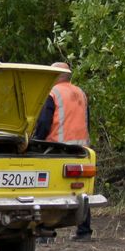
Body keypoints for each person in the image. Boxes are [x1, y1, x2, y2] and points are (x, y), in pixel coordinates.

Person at [34, 61, 93, 240]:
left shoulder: (52, 93)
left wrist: (37, 142)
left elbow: (44, 122)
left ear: (55, 76)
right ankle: (84, 232)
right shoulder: (80, 93)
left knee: (46, 189)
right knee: (81, 189)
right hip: (81, 148)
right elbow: (86, 119)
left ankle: (46, 232)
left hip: (56, 148)